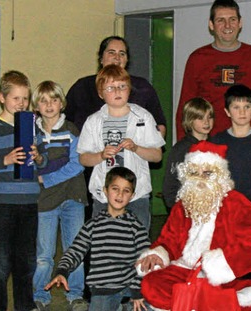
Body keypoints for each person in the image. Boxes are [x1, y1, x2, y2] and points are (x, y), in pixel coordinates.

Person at [137, 141, 251, 311]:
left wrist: (219, 263)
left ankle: (194, 302)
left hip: (224, 279)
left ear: (220, 175)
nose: (200, 179)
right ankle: (196, 302)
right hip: (184, 271)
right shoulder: (182, 206)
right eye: (194, 173)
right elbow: (168, 240)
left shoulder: (236, 204)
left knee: (244, 302)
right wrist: (159, 253)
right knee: (152, 285)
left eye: (207, 173)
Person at [0, 70, 44, 311]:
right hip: (2, 204)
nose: (21, 103)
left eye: (25, 98)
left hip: (29, 202)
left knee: (26, 262)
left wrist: (38, 156)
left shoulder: (32, 125)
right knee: (0, 263)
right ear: (2, 98)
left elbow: (42, 158)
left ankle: (25, 305)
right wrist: (5, 160)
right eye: (16, 98)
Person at [45, 167, 150, 311]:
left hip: (129, 287)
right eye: (115, 188)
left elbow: (145, 260)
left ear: (132, 196)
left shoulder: (136, 226)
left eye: (126, 190)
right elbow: (75, 250)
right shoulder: (92, 225)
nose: (120, 194)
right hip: (103, 290)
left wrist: (137, 290)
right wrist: (62, 271)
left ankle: (125, 306)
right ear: (105, 191)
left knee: (154, 302)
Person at [77, 64, 164, 231]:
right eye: (110, 88)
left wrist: (136, 148)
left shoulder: (143, 117)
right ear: (101, 93)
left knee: (137, 248)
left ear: (129, 90)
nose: (117, 92)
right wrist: (101, 155)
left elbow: (157, 156)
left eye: (122, 86)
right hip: (104, 196)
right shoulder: (93, 121)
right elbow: (83, 158)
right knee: (103, 248)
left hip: (136, 195)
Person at [30, 81, 88, 311]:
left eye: (54, 99)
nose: (49, 105)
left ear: (61, 103)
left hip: (73, 197)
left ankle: (75, 294)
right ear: (36, 106)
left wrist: (47, 179)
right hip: (45, 200)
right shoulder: (31, 134)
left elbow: (78, 165)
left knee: (75, 249)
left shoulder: (71, 130)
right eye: (43, 100)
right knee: (44, 254)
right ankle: (39, 295)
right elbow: (29, 165)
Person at [176, 0, 251, 140]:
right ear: (211, 25)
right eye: (221, 20)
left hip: (248, 141)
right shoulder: (197, 58)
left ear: (240, 23)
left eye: (232, 19)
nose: (227, 25)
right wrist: (185, 145)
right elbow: (186, 106)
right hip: (208, 142)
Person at [66, 36, 167, 137]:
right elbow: (65, 122)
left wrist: (149, 148)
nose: (117, 57)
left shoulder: (142, 87)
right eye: (111, 52)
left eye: (122, 53)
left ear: (127, 60)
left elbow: (159, 125)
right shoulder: (82, 87)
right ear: (101, 58)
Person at [211, 84, 251, 209]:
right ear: (227, 112)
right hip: (224, 208)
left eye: (247, 107)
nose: (242, 112)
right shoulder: (217, 141)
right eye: (236, 107)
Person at [162, 97, 214, 212]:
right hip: (186, 209)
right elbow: (170, 184)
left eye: (209, 117)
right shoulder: (181, 149)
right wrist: (177, 208)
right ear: (190, 121)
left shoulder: (216, 146)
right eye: (200, 118)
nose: (206, 122)